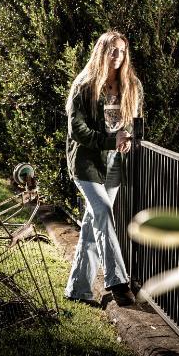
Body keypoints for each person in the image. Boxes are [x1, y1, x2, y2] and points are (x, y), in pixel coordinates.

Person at [63, 30, 143, 307]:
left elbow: (133, 123)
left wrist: (128, 137)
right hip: (86, 163)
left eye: (121, 50)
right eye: (112, 50)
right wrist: (110, 139)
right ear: (101, 52)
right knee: (104, 211)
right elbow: (77, 130)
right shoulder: (84, 86)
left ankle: (79, 289)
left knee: (93, 223)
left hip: (114, 165)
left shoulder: (131, 85)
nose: (117, 55)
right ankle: (118, 282)